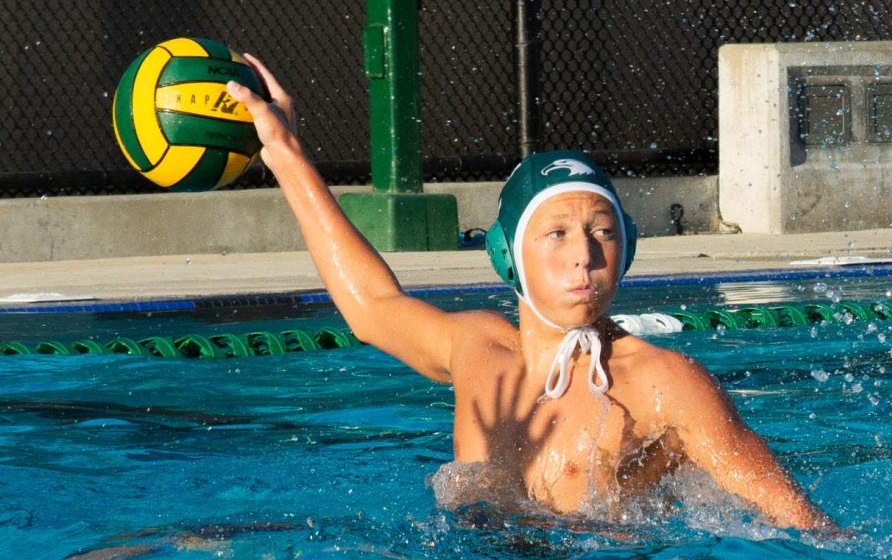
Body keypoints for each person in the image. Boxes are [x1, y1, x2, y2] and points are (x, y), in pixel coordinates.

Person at [225, 57, 838, 532]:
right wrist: (286, 153)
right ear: (508, 256)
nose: (584, 254)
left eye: (602, 232)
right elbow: (371, 308)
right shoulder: (476, 351)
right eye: (557, 233)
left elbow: (801, 522)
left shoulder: (663, 383)